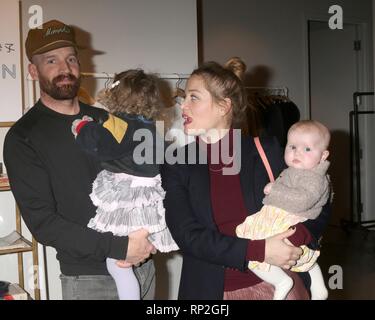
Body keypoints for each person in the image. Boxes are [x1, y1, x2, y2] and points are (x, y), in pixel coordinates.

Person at [3, 19, 155, 300]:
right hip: (90, 281)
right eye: (52, 60)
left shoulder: (107, 119)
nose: (65, 68)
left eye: (71, 58)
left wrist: (152, 233)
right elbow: (44, 224)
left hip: (143, 268)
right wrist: (120, 247)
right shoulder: (23, 137)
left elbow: (142, 177)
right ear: (33, 71)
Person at [160, 57, 331, 300]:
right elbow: (187, 235)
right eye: (184, 98)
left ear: (223, 106)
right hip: (211, 292)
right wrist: (259, 251)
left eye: (193, 97)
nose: (183, 106)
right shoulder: (176, 162)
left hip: (277, 289)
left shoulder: (267, 150)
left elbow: (320, 198)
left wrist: (296, 238)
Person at [72, 69, 179, 299]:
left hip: (130, 198)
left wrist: (82, 127)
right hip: (148, 201)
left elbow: (98, 144)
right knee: (124, 264)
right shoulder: (152, 127)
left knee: (118, 264)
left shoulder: (120, 124)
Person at [236, 120, 331, 300]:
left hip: (290, 218)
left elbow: (303, 200)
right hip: (280, 215)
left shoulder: (314, 177)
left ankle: (281, 281)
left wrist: (275, 189)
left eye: (307, 149)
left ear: (323, 155)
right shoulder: (294, 170)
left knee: (254, 249)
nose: (297, 152)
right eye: (292, 146)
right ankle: (319, 286)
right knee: (299, 257)